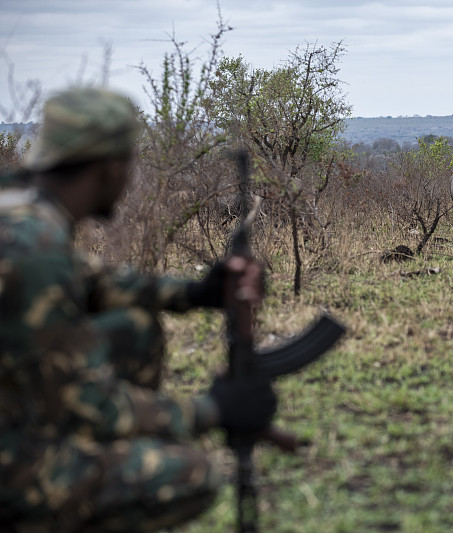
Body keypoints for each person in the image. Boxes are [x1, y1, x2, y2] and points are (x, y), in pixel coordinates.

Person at [0, 88, 277, 532]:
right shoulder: (35, 248)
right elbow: (89, 405)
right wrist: (212, 411)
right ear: (111, 168)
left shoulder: (19, 211)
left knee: (135, 329)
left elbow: (95, 282)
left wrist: (195, 292)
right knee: (191, 474)